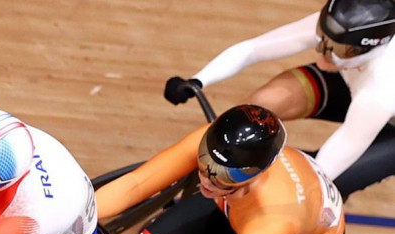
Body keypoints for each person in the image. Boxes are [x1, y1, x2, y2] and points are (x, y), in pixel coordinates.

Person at [97, 104, 345, 234]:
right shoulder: (217, 151)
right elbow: (136, 184)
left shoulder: (274, 220)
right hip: (234, 206)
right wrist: (82, 212)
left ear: (256, 173)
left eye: (225, 175)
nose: (207, 178)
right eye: (205, 162)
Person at [164, 0, 395, 199]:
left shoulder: (382, 86)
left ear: (375, 46)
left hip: (380, 107)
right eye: (323, 39)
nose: (325, 51)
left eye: (339, 49)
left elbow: (346, 144)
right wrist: (197, 80)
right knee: (259, 107)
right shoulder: (342, 28)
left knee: (323, 183)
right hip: (353, 78)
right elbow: (254, 49)